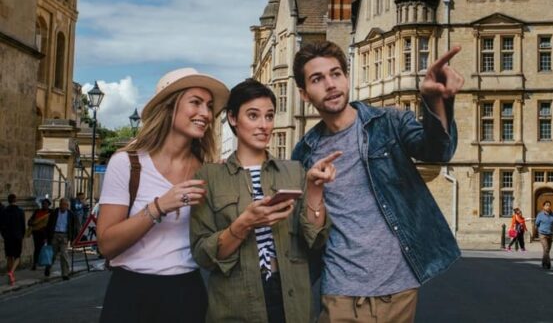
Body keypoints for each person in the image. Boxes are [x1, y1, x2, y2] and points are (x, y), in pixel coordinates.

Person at [291, 40, 464, 322]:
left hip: (397, 291)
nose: (330, 84)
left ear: (347, 78)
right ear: (304, 94)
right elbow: (309, 235)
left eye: (336, 73)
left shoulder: (388, 123)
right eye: (317, 79)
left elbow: (437, 151)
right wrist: (313, 190)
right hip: (339, 290)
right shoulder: (305, 152)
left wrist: (435, 101)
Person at [191, 79, 338, 323]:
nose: (264, 125)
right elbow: (203, 255)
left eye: (269, 116)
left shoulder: (294, 171)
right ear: (233, 118)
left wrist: (314, 190)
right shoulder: (209, 177)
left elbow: (315, 239)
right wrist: (243, 224)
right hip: (236, 303)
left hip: (292, 301)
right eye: (253, 115)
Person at [96, 68, 229, 323]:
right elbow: (106, 244)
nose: (206, 113)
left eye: (209, 106)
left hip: (186, 293)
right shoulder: (127, 163)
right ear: (169, 108)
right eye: (196, 103)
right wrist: (159, 207)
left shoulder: (208, 171)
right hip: (129, 294)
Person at [45, 198, 77, 279]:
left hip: (65, 235)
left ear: (67, 206)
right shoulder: (54, 213)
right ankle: (48, 267)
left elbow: (74, 227)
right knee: (53, 254)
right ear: (59, 205)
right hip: (55, 234)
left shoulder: (70, 214)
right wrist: (46, 237)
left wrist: (73, 239)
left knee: (64, 254)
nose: (63, 207)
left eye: (65, 205)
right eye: (62, 205)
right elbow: (49, 225)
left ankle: (65, 273)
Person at [0, 194, 26, 285]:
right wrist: (22, 235)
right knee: (17, 256)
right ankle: (11, 272)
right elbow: (23, 226)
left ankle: (11, 278)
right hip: (17, 236)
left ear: (8, 200)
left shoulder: (4, 211)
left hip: (8, 237)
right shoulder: (20, 211)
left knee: (9, 256)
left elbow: (1, 225)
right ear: (16, 200)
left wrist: (4, 235)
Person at [534, 200, 553, 270]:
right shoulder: (540, 215)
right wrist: (535, 232)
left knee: (547, 250)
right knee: (546, 248)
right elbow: (536, 225)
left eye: (549, 205)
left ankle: (543, 262)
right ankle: (548, 263)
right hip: (542, 234)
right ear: (543, 207)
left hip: (550, 234)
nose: (548, 206)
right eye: (546, 205)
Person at [28, 199, 51, 270]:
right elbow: (31, 220)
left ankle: (47, 264)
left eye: (45, 204)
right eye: (43, 204)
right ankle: (35, 263)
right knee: (37, 248)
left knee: (46, 249)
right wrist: (31, 223)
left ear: (48, 205)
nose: (44, 205)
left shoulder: (51, 213)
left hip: (46, 234)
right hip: (37, 233)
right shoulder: (37, 211)